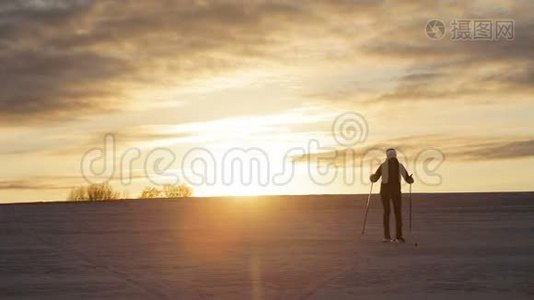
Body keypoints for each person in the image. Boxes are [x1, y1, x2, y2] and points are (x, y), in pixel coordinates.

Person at [370, 148, 414, 243]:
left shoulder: (383, 166)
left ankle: (387, 236)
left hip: (384, 191)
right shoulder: (399, 166)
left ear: (387, 156)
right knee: (397, 213)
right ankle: (399, 236)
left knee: (387, 212)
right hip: (396, 192)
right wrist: (410, 179)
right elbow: (407, 179)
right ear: (395, 155)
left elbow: (375, 178)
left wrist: (372, 177)